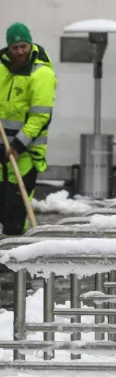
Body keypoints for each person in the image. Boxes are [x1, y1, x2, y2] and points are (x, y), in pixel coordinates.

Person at [0, 22, 56, 236]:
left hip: (25, 153)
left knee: (15, 206)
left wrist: (18, 144)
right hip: (1, 148)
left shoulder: (41, 74)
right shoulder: (1, 68)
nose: (19, 51)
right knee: (2, 205)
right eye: (14, 48)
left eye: (23, 46)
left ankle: (15, 253)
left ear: (30, 44)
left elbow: (40, 116)